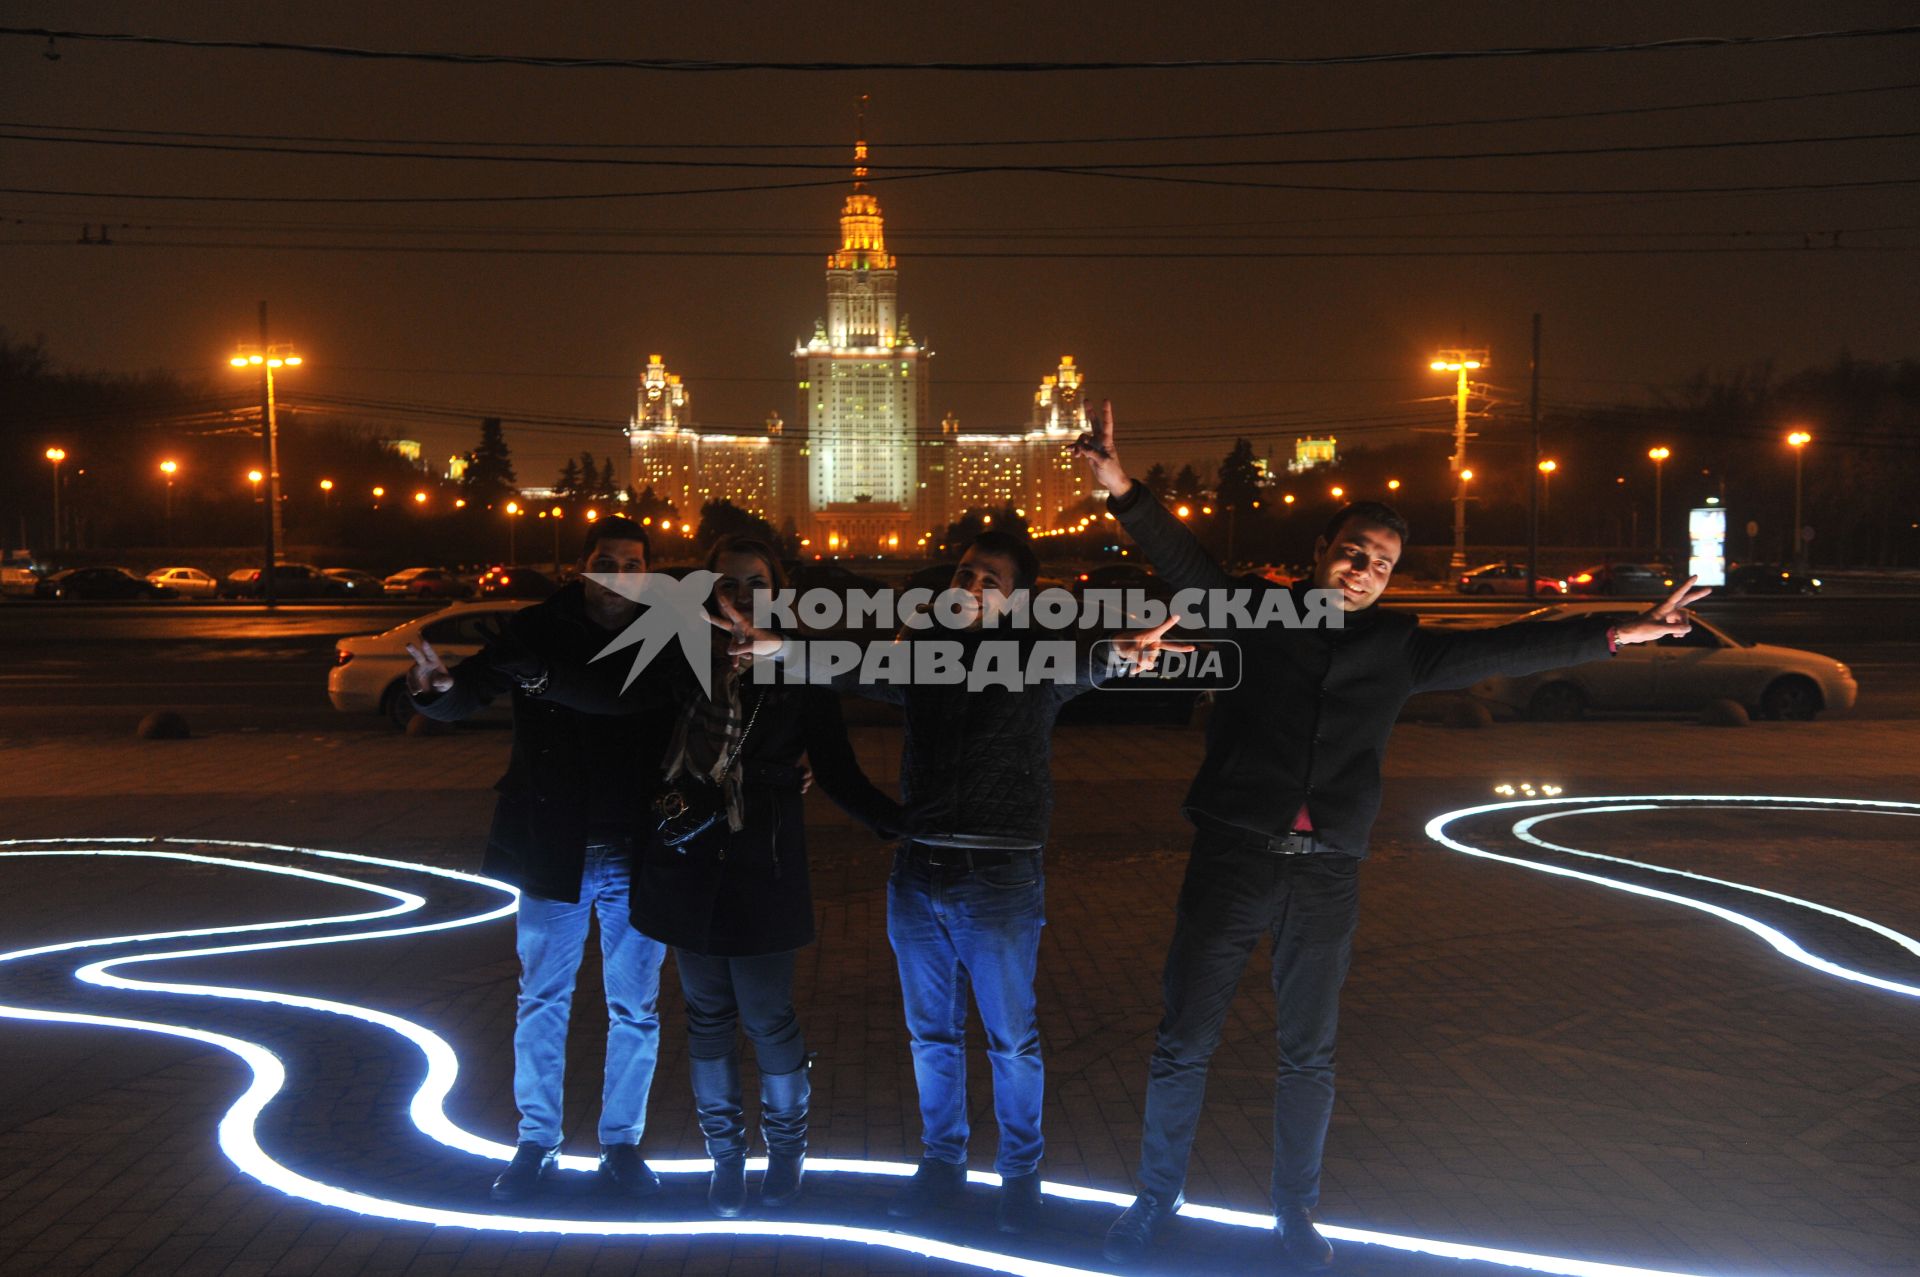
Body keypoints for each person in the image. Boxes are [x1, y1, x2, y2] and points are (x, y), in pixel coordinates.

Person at [1073, 403, 1707, 1270]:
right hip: (1234, 856)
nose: (1365, 568)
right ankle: (1155, 1199)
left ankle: (1294, 1213)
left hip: (1326, 873)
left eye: (1381, 562)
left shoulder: (1400, 646)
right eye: (1352, 549)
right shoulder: (1256, 611)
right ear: (1321, 551)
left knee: (1309, 1055)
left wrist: (1623, 628)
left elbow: (1508, 649)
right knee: (1184, 1039)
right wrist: (1122, 489)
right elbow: (1186, 564)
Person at [719, 528, 1186, 1234]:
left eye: (987, 581)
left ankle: (1020, 1175)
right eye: (964, 575)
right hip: (918, 871)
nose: (967, 588)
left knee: (1010, 1038)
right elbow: (852, 665)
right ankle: (943, 1163)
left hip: (998, 875)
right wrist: (780, 647)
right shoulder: (922, 657)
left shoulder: (1037, 660)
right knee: (930, 1034)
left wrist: (1123, 652)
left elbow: (1090, 663)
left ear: (1020, 599)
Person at [404, 516, 683, 1203]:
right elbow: (468, 690)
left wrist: (542, 676)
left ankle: (621, 1144)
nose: (618, 571)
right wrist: (437, 692)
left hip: (635, 845)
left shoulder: (667, 631)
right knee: (541, 1001)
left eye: (632, 561)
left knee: (637, 1007)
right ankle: (537, 1142)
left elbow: (624, 699)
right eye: (606, 559)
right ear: (582, 565)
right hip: (552, 842)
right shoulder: (535, 627)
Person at [634, 535, 904, 1217]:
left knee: (766, 1013)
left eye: (755, 581)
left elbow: (837, 764)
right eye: (726, 581)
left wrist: (895, 821)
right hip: (687, 863)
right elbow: (635, 740)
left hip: (764, 863)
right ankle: (726, 1157)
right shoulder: (678, 654)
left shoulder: (799, 663)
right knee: (705, 1016)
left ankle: (785, 1151)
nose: (740, 594)